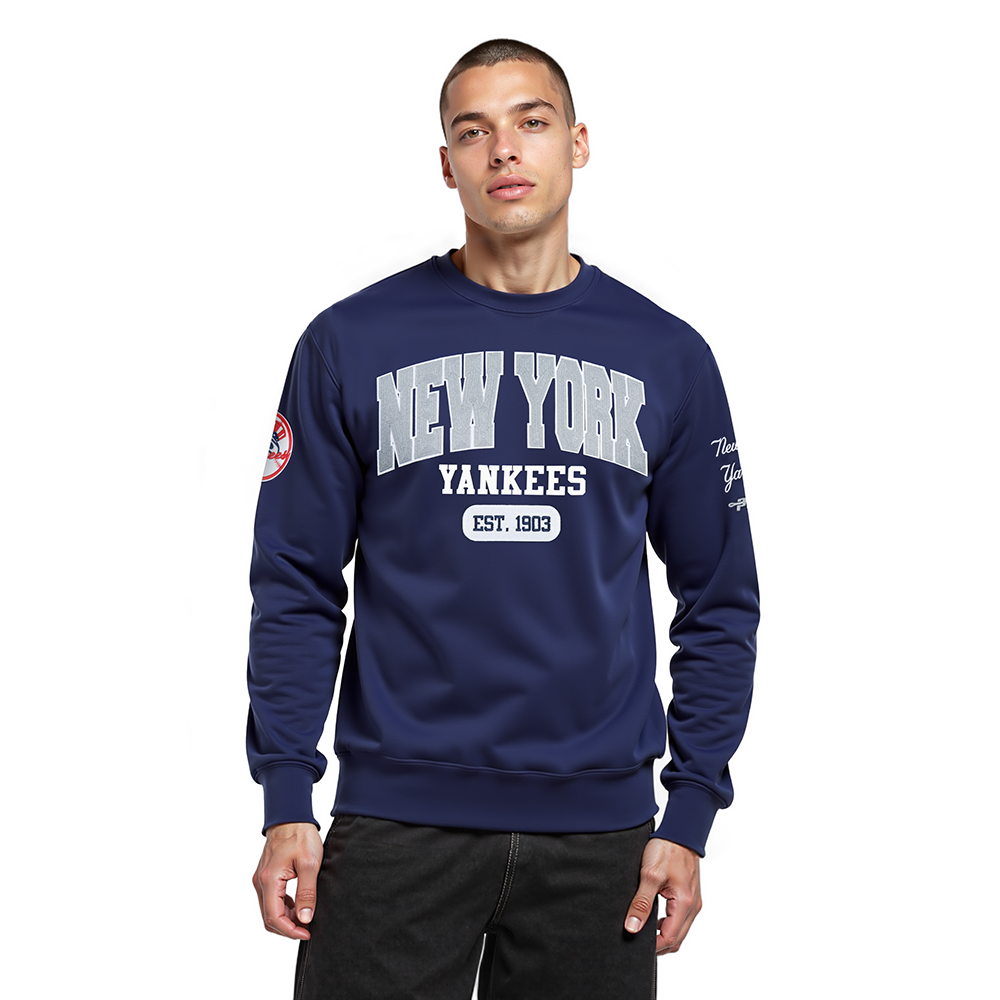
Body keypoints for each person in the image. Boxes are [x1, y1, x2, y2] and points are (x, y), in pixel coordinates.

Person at [247, 38, 758, 1000]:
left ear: (578, 143)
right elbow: (296, 585)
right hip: (396, 826)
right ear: (447, 164)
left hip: (602, 840)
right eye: (473, 132)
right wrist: (286, 796)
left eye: (531, 122)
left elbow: (720, 599)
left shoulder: (666, 355)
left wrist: (690, 813)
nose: (504, 150)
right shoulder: (350, 342)